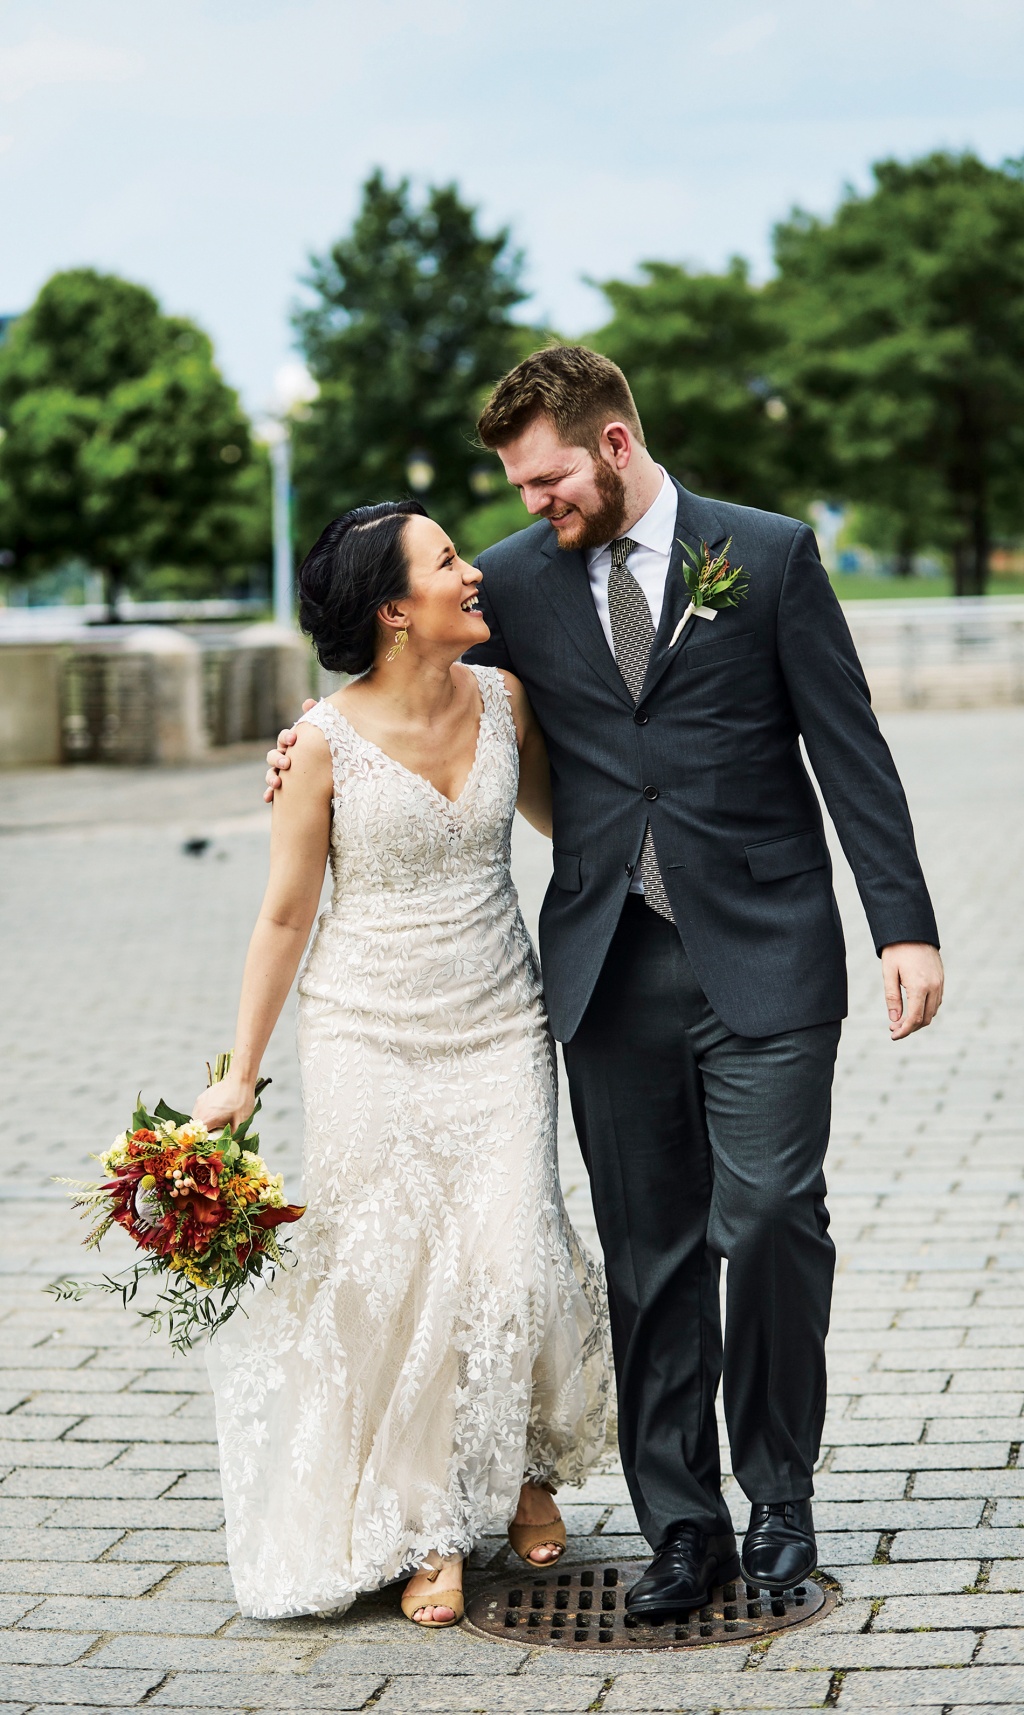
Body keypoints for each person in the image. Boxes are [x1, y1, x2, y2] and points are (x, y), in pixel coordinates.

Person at [268, 347, 943, 1617]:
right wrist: (309, 734)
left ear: (615, 444)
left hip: (770, 944)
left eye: (548, 477)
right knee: (649, 1252)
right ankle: (681, 1521)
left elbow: (852, 750)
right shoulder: (516, 581)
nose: (530, 505)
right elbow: (409, 665)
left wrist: (903, 923)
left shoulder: (770, 555)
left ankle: (780, 1497)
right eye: (517, 485)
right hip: (606, 963)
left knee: (774, 1216)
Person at [196, 499, 609, 1624]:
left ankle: (525, 1465)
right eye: (446, 562)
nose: (473, 572)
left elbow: (574, 824)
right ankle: (428, 1522)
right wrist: (239, 1073)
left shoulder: (505, 698)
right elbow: (282, 917)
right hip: (365, 1031)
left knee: (512, 1251)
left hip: (497, 1022)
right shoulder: (320, 742)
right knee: (388, 1278)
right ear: (393, 607)